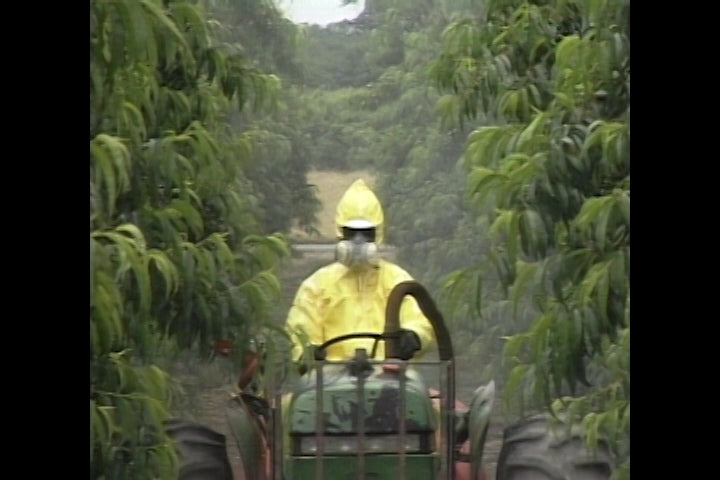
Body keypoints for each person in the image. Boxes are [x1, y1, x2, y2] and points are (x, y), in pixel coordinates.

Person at [285, 178, 436, 371]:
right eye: (352, 232)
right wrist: (308, 352)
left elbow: (420, 320)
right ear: (341, 232)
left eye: (366, 233)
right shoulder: (316, 286)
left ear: (378, 234)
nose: (358, 241)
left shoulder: (399, 282)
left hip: (390, 383)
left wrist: (414, 336)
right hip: (330, 385)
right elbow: (300, 330)